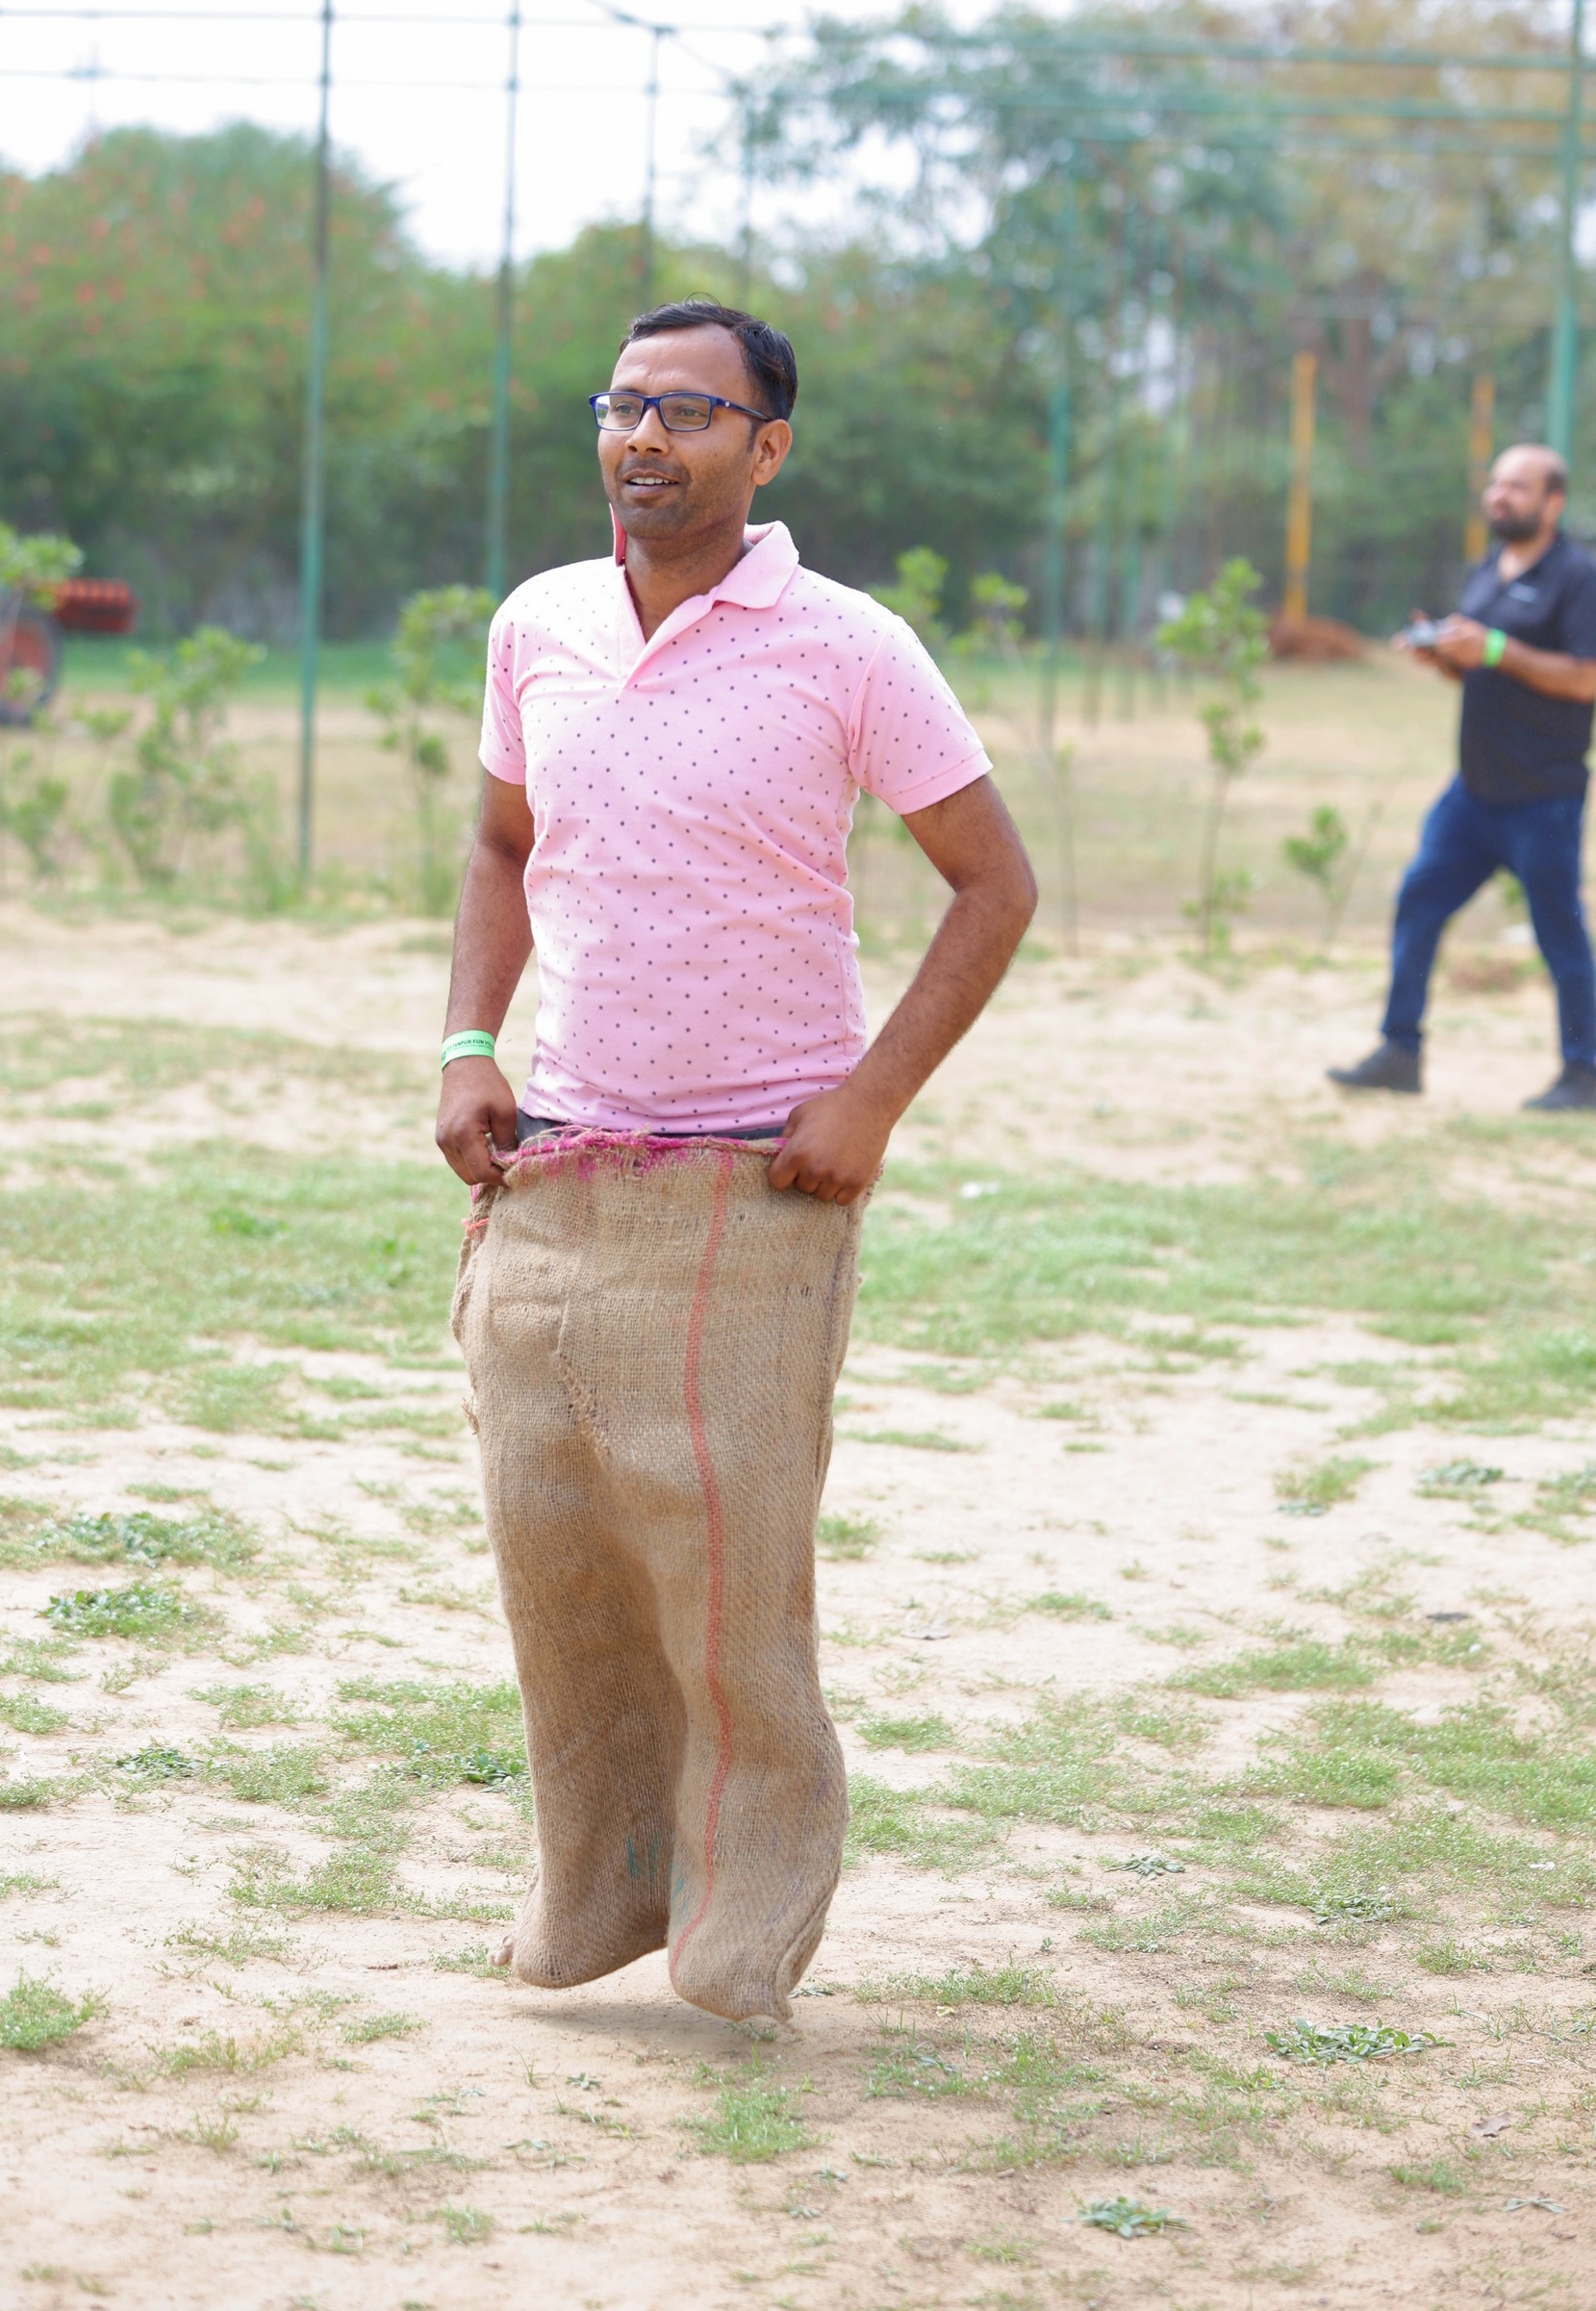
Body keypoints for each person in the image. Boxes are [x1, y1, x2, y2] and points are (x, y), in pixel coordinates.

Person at [435, 297, 1036, 2026]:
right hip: (560, 1164)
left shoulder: (848, 646)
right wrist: (469, 1043)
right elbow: (500, 845)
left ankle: (739, 1929)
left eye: (689, 411)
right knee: (558, 1553)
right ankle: (597, 1895)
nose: (644, 436)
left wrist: (868, 1103)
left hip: (759, 1185)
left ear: (766, 448)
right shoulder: (540, 622)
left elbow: (993, 886)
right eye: (623, 404)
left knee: (727, 1578)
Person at [1330, 444, 1596, 1110]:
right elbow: (1483, 667)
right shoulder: (1488, 569)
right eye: (1496, 483)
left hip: (1543, 796)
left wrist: (1496, 648)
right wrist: (1445, 658)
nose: (1500, 495)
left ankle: (1584, 1071)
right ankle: (1400, 1052)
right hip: (1473, 793)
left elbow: (1586, 677)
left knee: (1559, 934)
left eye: (1518, 486)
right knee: (1418, 902)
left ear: (1553, 502)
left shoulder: (1579, 576)